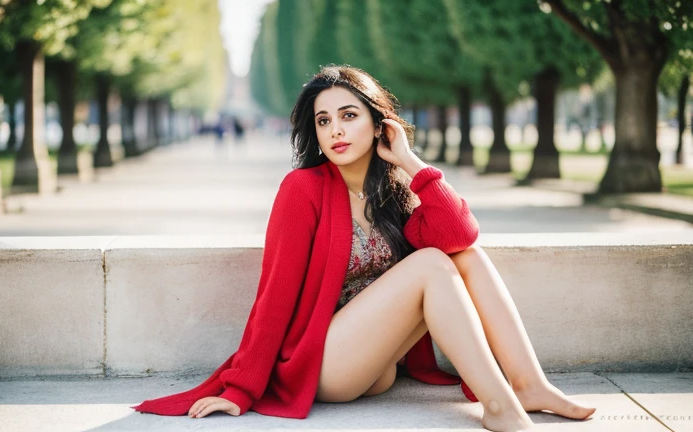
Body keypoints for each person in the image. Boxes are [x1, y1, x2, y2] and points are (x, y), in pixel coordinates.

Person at [133, 65, 596, 431]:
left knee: (462, 256)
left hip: (378, 366)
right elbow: (274, 295)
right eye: (324, 120)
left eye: (349, 115)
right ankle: (500, 408)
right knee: (432, 264)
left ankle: (529, 385)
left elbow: (461, 234)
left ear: (380, 124)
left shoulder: (393, 190)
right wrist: (240, 389)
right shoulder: (302, 189)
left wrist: (412, 162)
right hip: (325, 364)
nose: (335, 129)